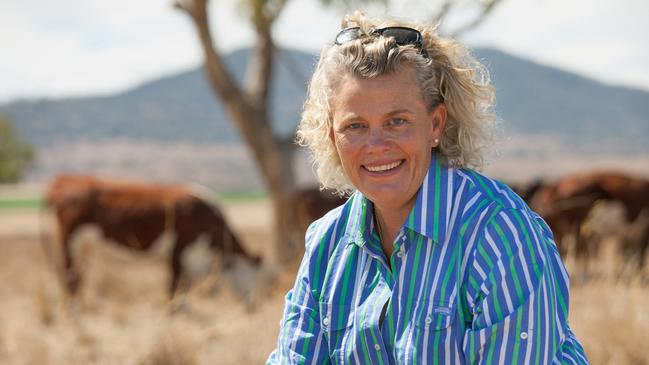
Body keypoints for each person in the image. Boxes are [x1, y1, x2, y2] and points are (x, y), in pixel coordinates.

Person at [267, 11, 589, 364]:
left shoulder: (500, 235)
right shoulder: (327, 244)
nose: (376, 145)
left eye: (397, 121)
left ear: (435, 124)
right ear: (332, 136)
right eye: (355, 126)